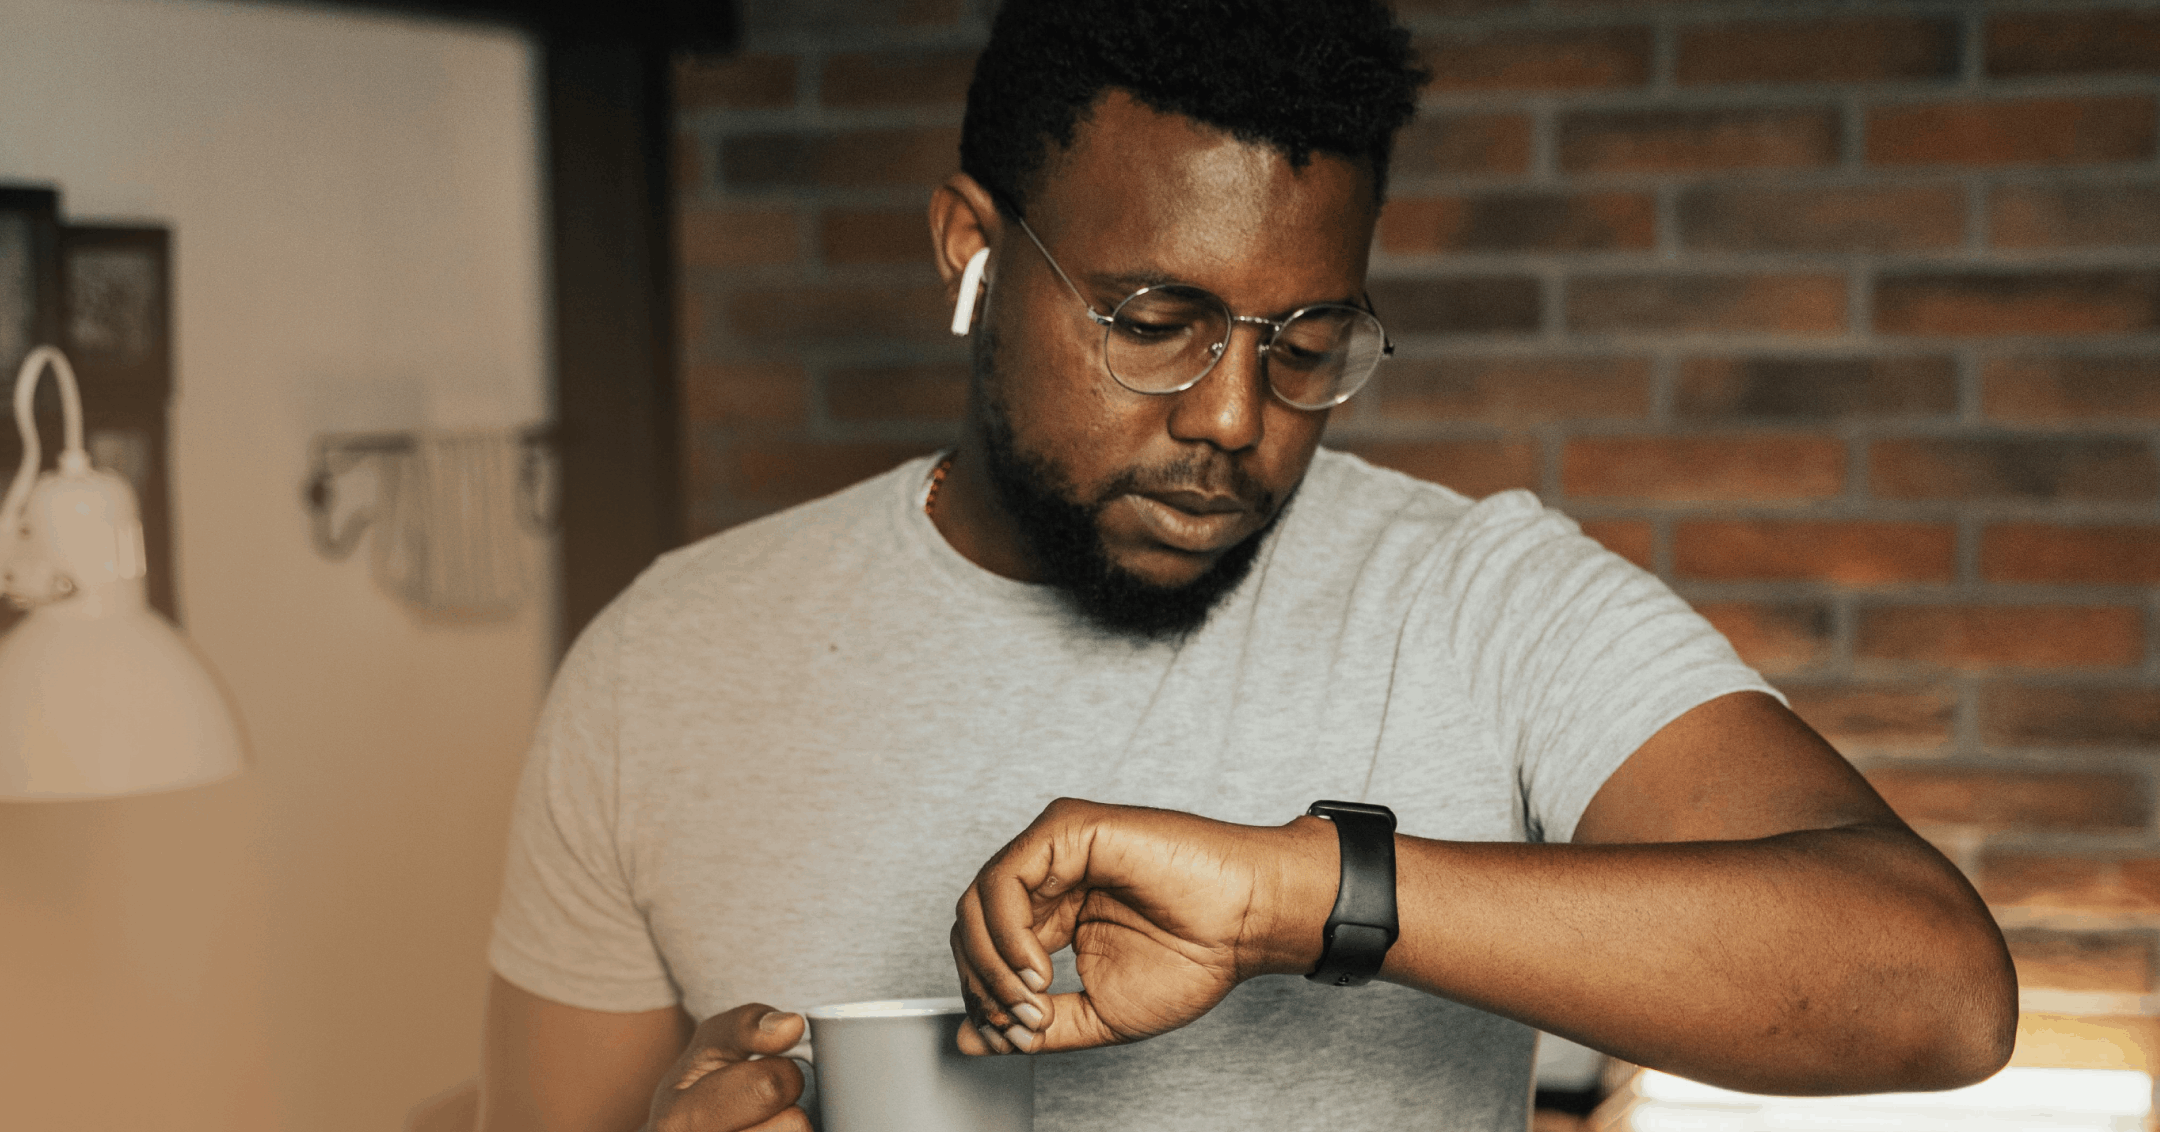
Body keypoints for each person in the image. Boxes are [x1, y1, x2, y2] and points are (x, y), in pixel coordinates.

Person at [477, 2, 2017, 1130]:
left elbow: (1938, 992)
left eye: (1308, 341)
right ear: (972, 251)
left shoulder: (1481, 602)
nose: (1233, 419)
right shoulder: (665, 660)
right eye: (1155, 323)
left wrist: (1302, 897)